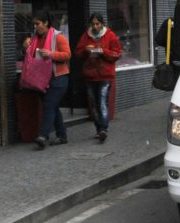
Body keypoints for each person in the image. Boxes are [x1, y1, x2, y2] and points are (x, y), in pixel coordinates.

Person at [75, 13, 122, 142]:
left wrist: (103, 51)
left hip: (105, 75)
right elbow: (77, 53)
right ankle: (98, 129)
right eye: (93, 24)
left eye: (97, 24)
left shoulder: (110, 36)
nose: (95, 26)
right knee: (94, 105)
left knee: (102, 102)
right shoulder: (86, 36)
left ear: (102, 24)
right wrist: (86, 50)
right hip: (90, 75)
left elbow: (117, 54)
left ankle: (103, 129)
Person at [30, 12, 71, 149]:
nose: (36, 27)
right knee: (53, 107)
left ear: (46, 23)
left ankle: (43, 135)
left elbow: (67, 55)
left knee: (48, 105)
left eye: (38, 24)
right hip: (43, 78)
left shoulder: (58, 37)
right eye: (34, 24)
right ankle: (62, 135)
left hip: (58, 77)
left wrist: (51, 54)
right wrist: (27, 47)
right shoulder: (35, 38)